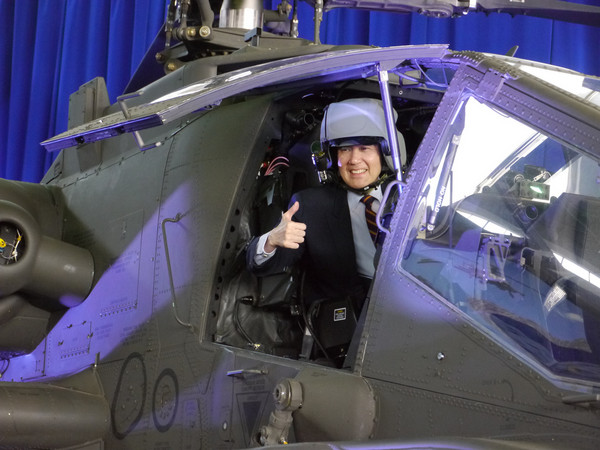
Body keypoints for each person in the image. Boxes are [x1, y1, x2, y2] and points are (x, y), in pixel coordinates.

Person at [246, 98, 405, 360]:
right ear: (331, 157)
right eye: (344, 149)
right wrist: (271, 241)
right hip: (345, 334)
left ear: (386, 152)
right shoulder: (310, 205)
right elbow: (260, 264)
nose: (354, 160)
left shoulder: (413, 198)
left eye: (364, 148)